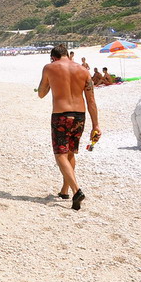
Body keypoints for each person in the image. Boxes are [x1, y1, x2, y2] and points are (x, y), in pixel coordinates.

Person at [37, 43, 100, 210]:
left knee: (60, 155)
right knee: (71, 152)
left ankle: (76, 190)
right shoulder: (83, 70)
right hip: (80, 115)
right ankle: (64, 190)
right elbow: (91, 101)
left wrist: (50, 84)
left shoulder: (50, 67)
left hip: (61, 116)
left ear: (53, 57)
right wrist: (96, 125)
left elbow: (41, 94)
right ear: (67, 54)